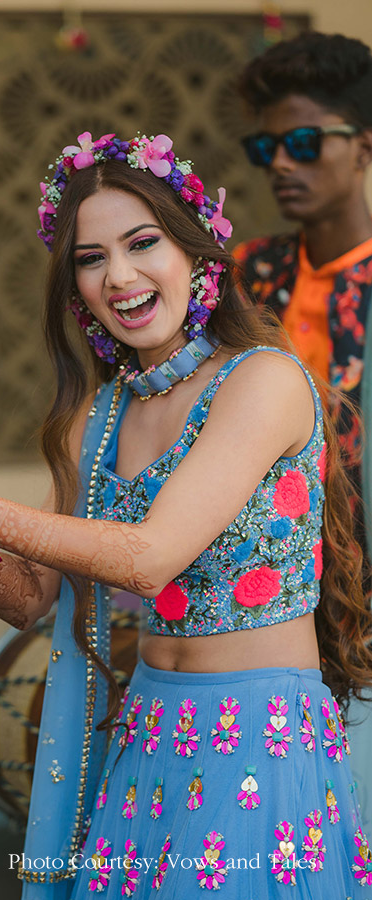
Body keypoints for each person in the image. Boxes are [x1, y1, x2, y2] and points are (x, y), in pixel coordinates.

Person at [0, 130, 372, 900]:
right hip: (144, 734)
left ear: (198, 253)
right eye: (90, 257)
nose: (120, 275)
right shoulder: (98, 419)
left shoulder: (261, 382)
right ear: (74, 286)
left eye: (143, 244)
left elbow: (148, 559)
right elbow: (32, 596)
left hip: (257, 741)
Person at [233, 32, 372, 539]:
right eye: (266, 147)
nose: (281, 163)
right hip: (267, 573)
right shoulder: (250, 272)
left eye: (304, 142)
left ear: (363, 146)